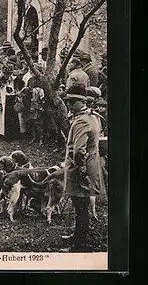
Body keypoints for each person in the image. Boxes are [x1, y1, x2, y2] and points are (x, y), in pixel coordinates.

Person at [60, 84, 104, 252]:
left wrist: (80, 170)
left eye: (72, 102)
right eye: (68, 101)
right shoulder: (92, 116)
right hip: (90, 164)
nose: (69, 105)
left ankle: (78, 244)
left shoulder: (81, 121)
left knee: (80, 207)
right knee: (81, 206)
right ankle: (78, 236)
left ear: (82, 102)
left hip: (81, 168)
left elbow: (79, 150)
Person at [0, 59, 20, 140]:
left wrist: (17, 96)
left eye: (9, 74)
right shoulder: (1, 82)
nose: (7, 76)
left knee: (14, 118)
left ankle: (15, 135)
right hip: (5, 100)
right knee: (6, 118)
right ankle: (6, 135)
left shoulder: (16, 81)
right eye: (5, 74)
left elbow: (19, 90)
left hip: (13, 99)